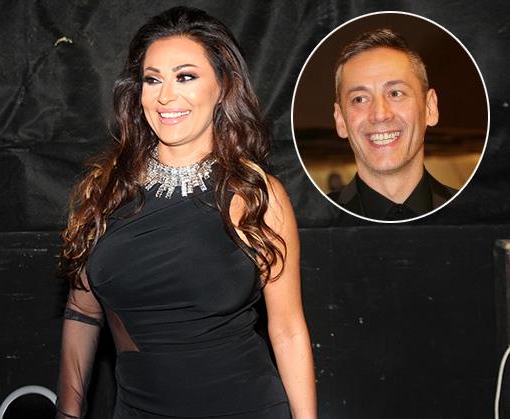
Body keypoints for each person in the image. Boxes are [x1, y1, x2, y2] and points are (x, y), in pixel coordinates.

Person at [55, 6, 316, 419]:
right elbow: (83, 312)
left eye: (186, 77)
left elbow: (287, 329)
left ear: (222, 86)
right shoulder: (105, 191)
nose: (166, 96)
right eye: (152, 79)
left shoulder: (254, 194)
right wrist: (68, 412)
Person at [329, 28, 457, 221]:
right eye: (360, 99)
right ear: (340, 120)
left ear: (430, 108)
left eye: (396, 93)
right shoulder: (306, 225)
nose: (380, 115)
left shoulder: (484, 218)